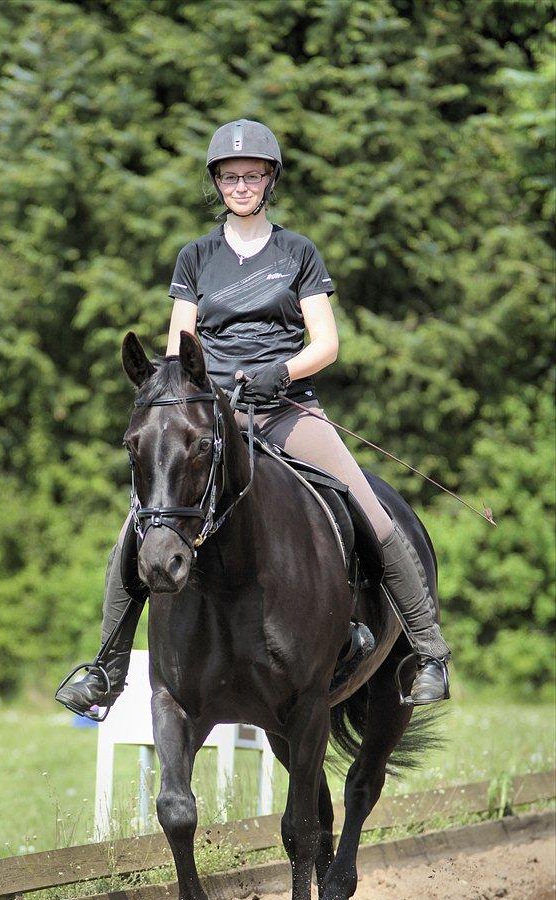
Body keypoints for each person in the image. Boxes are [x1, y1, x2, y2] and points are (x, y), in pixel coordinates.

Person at [56, 119, 450, 717]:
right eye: (230, 176)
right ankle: (105, 668)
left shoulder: (297, 253)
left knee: (370, 508)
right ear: (217, 183)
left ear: (270, 181)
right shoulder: (196, 257)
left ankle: (427, 651)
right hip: (210, 418)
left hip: (286, 410)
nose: (240, 185)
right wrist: (185, 396)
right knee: (140, 522)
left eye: (252, 175)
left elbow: (327, 343)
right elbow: (177, 348)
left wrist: (281, 373)